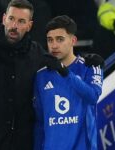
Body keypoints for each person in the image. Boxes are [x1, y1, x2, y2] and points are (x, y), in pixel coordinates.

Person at [0, 0, 104, 150]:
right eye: (11, 19)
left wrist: (89, 60)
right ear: (4, 18)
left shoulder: (35, 52)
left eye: (21, 21)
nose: (14, 26)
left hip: (16, 140)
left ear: (29, 25)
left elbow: (57, 60)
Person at [33, 15, 103, 150]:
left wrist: (65, 72)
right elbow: (40, 121)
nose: (54, 45)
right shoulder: (41, 75)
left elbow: (92, 96)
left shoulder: (90, 66)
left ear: (73, 40)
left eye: (60, 39)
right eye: (50, 40)